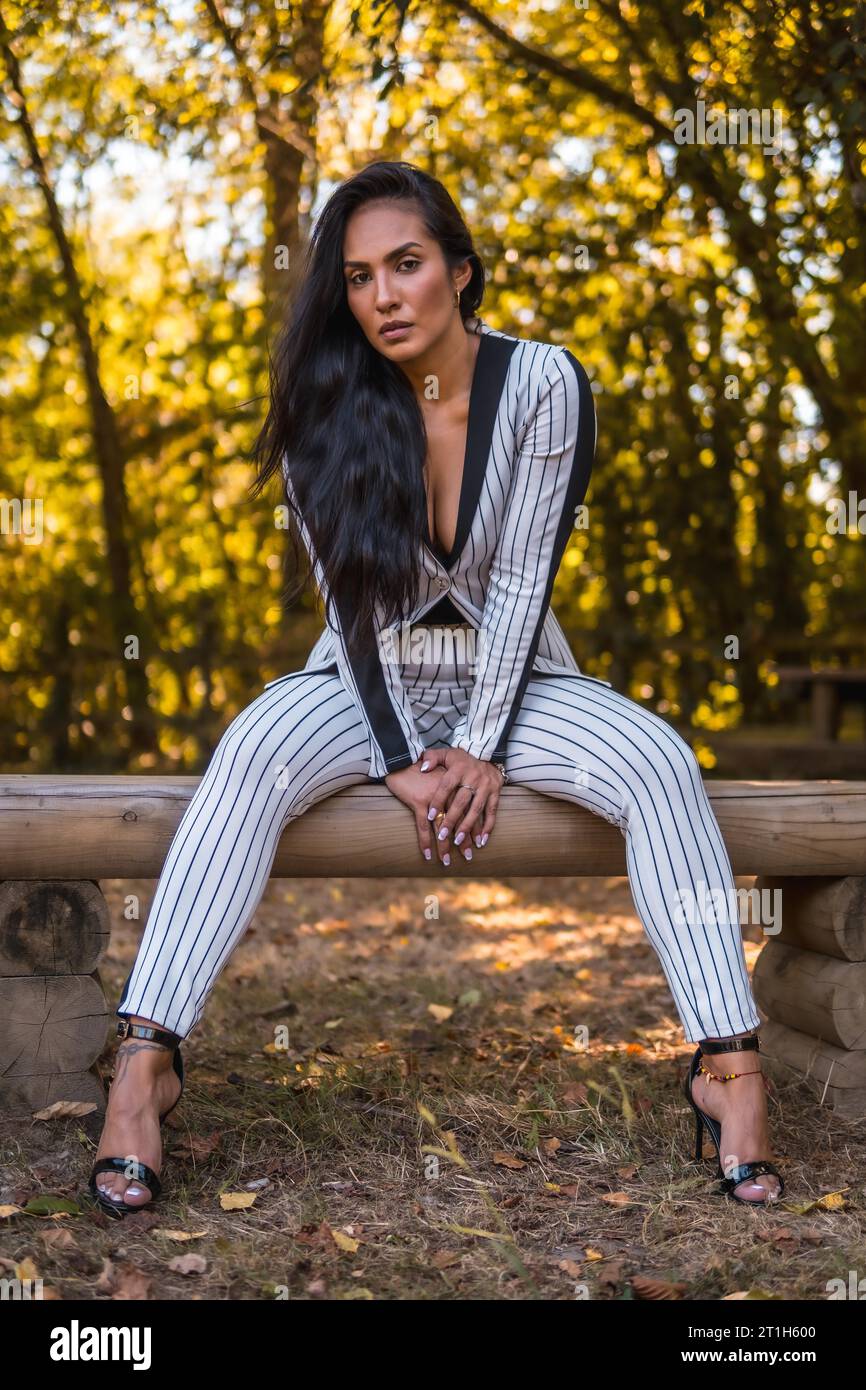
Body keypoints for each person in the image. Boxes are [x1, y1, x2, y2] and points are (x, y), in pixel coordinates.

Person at [89, 160, 783, 1215]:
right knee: (249, 753)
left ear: (459, 271)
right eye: (359, 275)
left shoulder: (545, 382)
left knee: (654, 758)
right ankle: (143, 1070)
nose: (382, 296)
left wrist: (485, 748)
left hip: (519, 674)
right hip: (366, 680)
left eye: (406, 264)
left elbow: (520, 579)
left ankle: (728, 1071)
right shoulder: (322, 403)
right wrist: (400, 758)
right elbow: (348, 610)